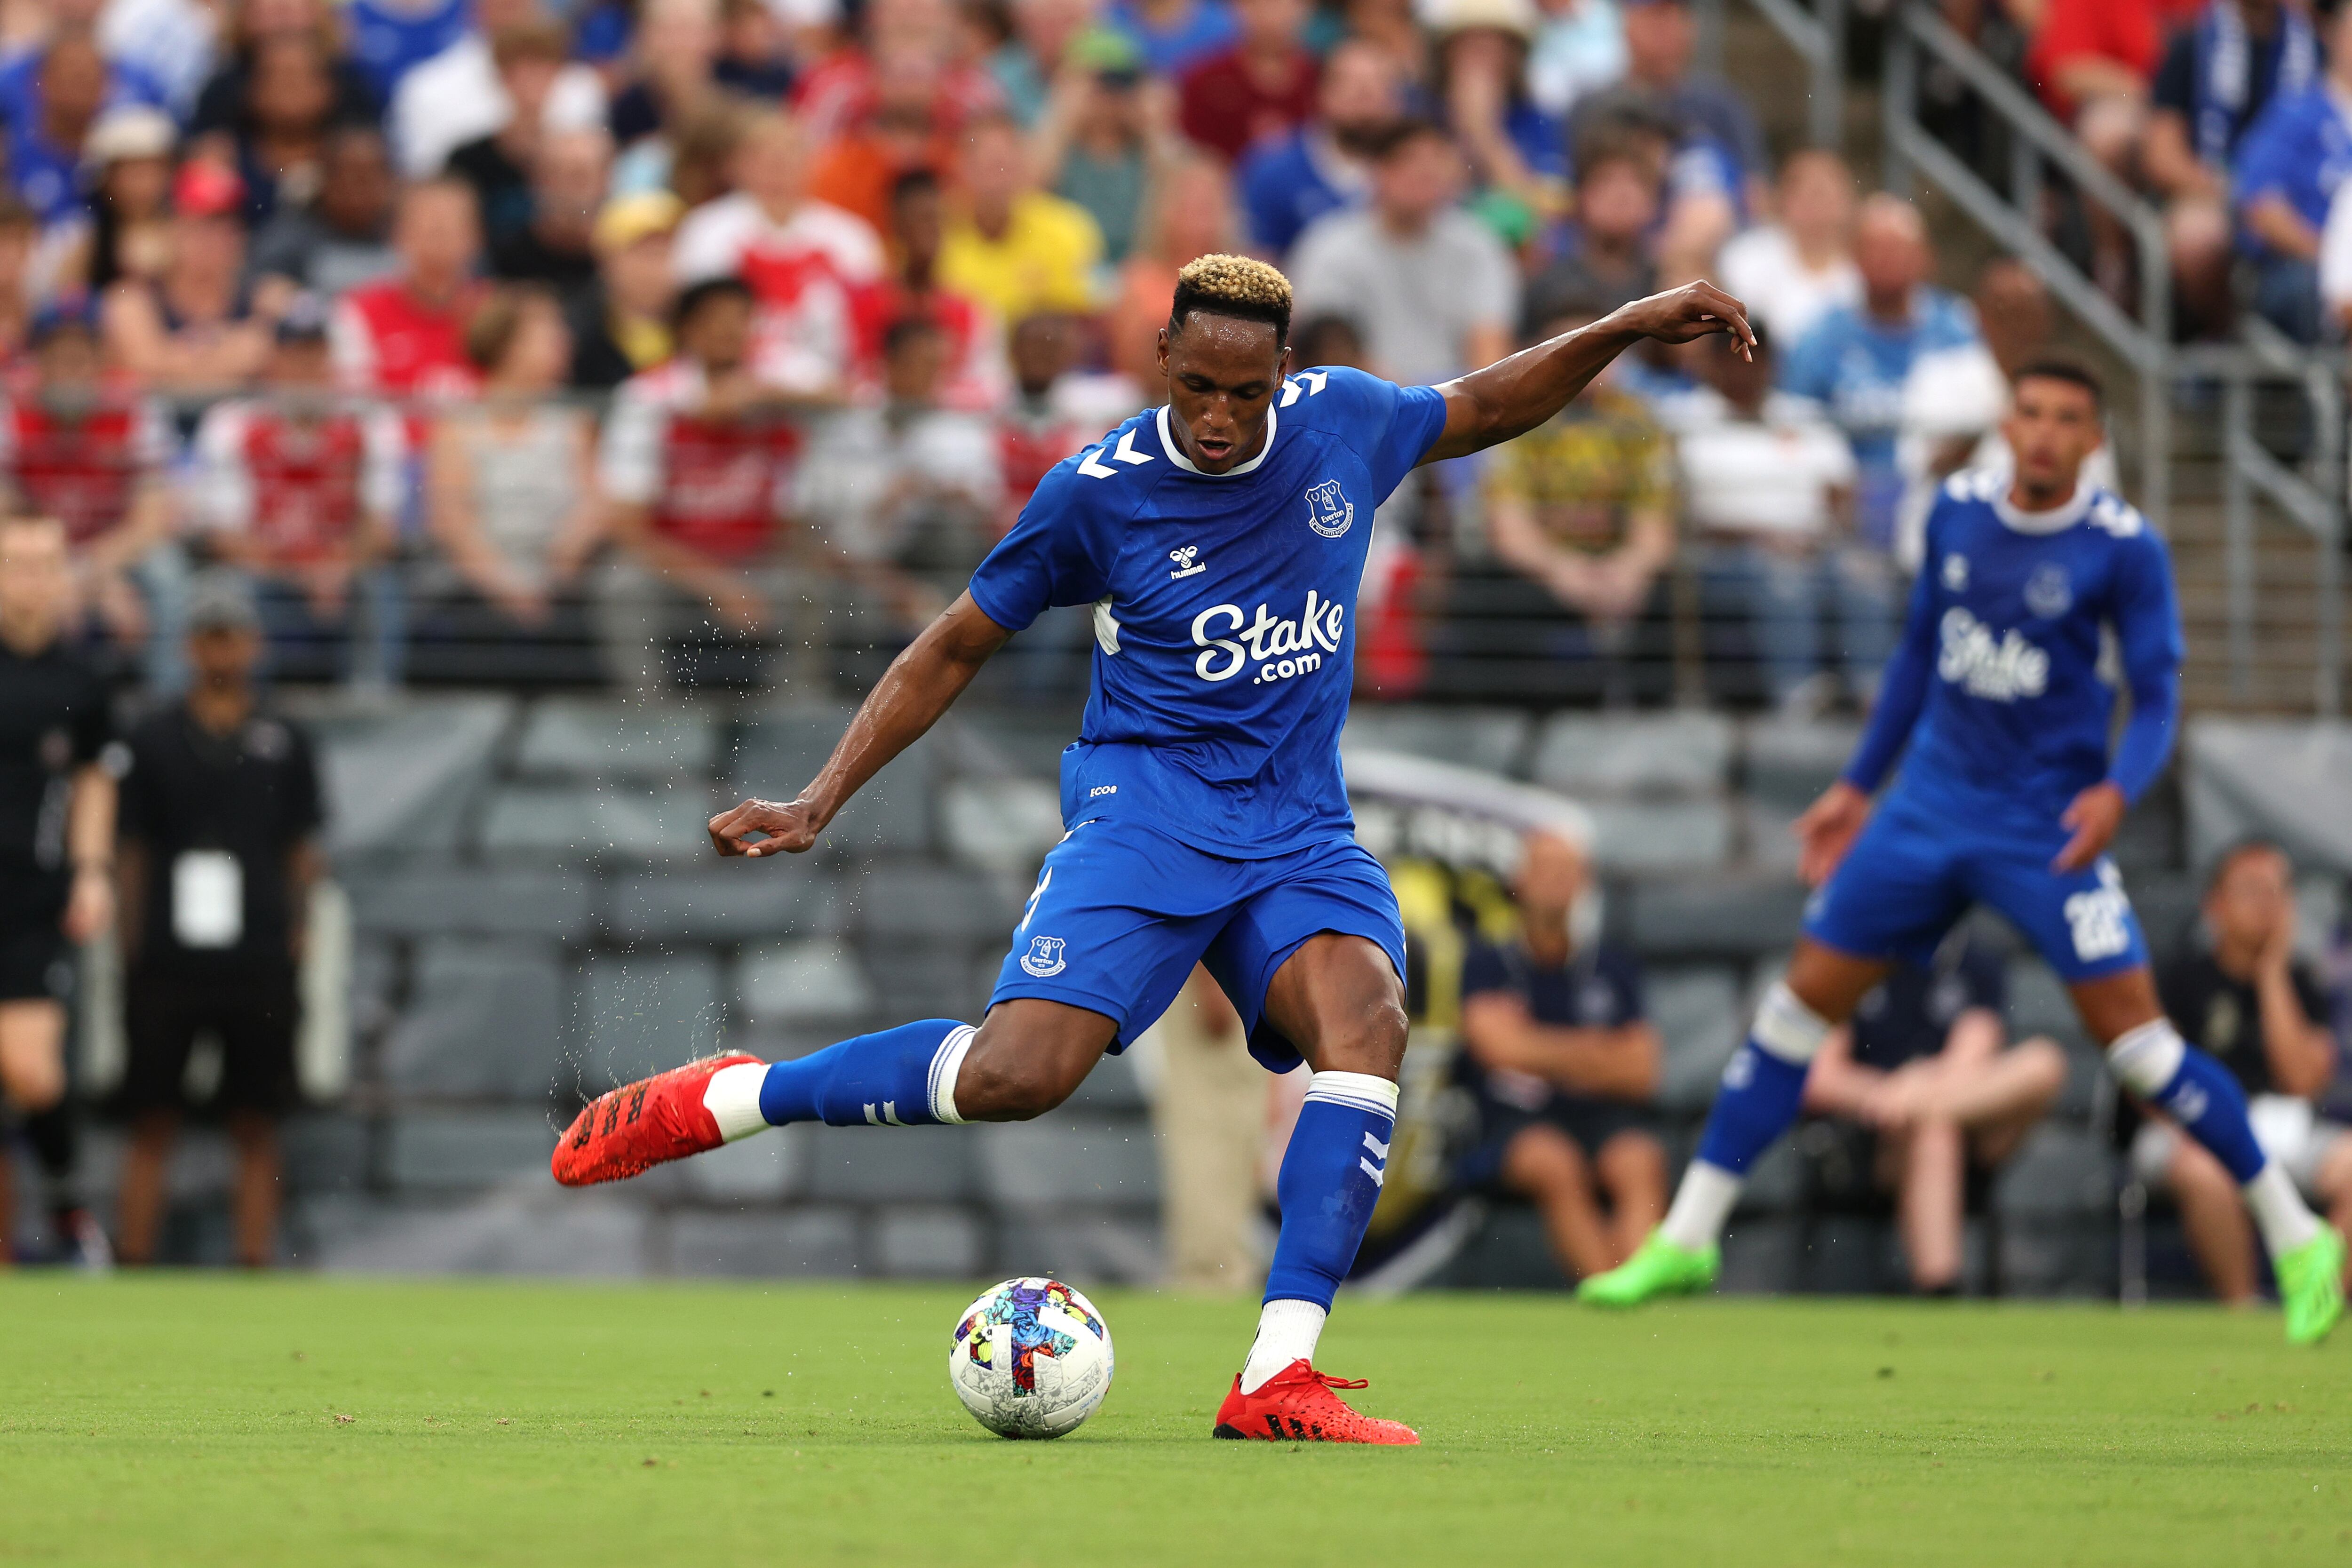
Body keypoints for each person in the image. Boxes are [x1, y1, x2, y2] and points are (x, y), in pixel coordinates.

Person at [548, 255, 1759, 1443]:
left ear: (1286, 372)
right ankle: (736, 1095)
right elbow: (953, 645)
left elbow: (1490, 402)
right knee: (1013, 1080)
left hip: (1294, 821)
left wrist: (1626, 322)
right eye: (1199, 388)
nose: (1222, 417)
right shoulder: (1097, 491)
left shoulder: (1345, 421)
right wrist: (820, 797)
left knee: (1369, 1020)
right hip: (1148, 807)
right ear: (1162, 360)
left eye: (1248, 392)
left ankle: (1278, 1374)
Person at [1579, 360, 2349, 1346]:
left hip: (2043, 828)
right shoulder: (1955, 512)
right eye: (2028, 412)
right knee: (1789, 1016)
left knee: (2143, 1050)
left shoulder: (2121, 548)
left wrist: (2118, 791)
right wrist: (1857, 787)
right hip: (1925, 812)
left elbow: (2155, 696)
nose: (2041, 433)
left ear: (2089, 441)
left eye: (2066, 419)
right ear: (2007, 421)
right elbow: (1914, 657)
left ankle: (2295, 1239)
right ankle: (1687, 1236)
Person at [114, 573, 325, 1268]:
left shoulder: (284, 737)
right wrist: (131, 944)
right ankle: (135, 1257)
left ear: (253, 644)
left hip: (258, 953)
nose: (221, 651)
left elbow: (302, 847)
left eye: (231, 636)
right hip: (170, 957)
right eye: (209, 637)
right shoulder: (152, 736)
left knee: (256, 1119)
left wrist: (300, 932)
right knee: (151, 1114)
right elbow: (133, 848)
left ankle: (254, 1260)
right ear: (189, 646)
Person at [2141, 841, 2352, 1301]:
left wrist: (2271, 971)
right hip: (2190, 1132)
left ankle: (2316, 1300)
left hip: (2282, 1129)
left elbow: (2302, 1081)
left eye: (2279, 891)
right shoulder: (2178, 979)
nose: (2268, 904)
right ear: (2214, 905)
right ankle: (2242, 1308)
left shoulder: (2303, 982)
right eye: (2252, 890)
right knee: (2203, 1169)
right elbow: (2147, 1082)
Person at [1801, 932, 2068, 1294]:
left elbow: (1970, 1060)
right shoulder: (1852, 957)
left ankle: (1939, 1289)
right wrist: (1889, 1092)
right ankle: (1940, 1289)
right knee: (1934, 1128)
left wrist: (1915, 1088)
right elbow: (1822, 1078)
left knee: (2044, 1062)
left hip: (1968, 1126)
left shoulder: (1976, 962)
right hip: (1874, 1137)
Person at [1456, 827, 1667, 1282]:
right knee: (1552, 1162)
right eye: (1544, 869)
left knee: (1637, 1158)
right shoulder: (1487, 963)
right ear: (1520, 881)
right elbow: (1495, 1049)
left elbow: (1642, 1071)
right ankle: (1606, 1291)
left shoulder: (1611, 966)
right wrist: (1594, 1052)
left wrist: (1535, 1047)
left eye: (1567, 871)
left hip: (1600, 1118)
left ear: (1583, 884)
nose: (1555, 881)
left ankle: (1637, 1293)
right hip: (1513, 1122)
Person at [0, 516, 117, 1269]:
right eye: (17, 562)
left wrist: (93, 870)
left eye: (46, 562)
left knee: (32, 1070)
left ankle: (72, 1213)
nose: (32, 577)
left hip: (35, 897)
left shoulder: (82, 678)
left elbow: (93, 781)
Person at [597, 276, 804, 691]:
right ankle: (650, 721)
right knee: (620, 587)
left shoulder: (776, 392)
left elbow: (848, 396)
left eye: (741, 319)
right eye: (715, 320)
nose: (730, 331)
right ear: (687, 330)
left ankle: (797, 722)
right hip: (673, 567)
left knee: (813, 588)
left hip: (758, 560)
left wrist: (759, 397)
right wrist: (721, 587)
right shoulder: (645, 399)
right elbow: (628, 527)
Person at [1466, 304, 1675, 705]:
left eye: (1596, 347)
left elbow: (1654, 529)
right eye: (1569, 349)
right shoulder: (1515, 422)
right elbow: (1511, 532)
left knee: (1678, 599)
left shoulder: (1639, 422)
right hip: (1545, 576)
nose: (1584, 362)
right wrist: (1563, 571)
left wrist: (1628, 570)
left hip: (1620, 576)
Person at [190, 302, 404, 684]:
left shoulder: (370, 423)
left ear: (332, 363)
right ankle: (250, 706)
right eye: (295, 358)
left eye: (316, 357)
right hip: (266, 569)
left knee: (380, 586)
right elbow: (226, 535)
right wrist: (301, 571)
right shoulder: (234, 423)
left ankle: (372, 702)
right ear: (275, 363)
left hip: (341, 570)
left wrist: (339, 564)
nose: (306, 371)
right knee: (229, 590)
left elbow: (382, 527)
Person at [1679, 325, 1874, 711]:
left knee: (1863, 573)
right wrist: (1765, 538)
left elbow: (1842, 491)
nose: (1750, 365)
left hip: (1813, 544)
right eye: (1738, 353)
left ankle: (1875, 695)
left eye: (1759, 355)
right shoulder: (1687, 422)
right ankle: (1800, 699)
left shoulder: (1805, 415)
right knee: (1783, 579)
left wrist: (1826, 537)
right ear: (1715, 363)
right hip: (1728, 556)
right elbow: (1692, 517)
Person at [419, 286, 604, 682]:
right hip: (481, 586)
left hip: (560, 583)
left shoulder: (574, 421)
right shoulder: (458, 426)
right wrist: (509, 588)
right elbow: (453, 522)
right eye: (550, 333)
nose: (565, 341)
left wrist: (561, 565)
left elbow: (593, 505)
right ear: (509, 345)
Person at [1780, 194, 1979, 556]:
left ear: (1925, 257)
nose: (1886, 260)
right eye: (1875, 249)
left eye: (1899, 249)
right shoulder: (1821, 335)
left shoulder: (1958, 330)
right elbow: (1792, 426)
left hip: (1939, 501)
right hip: (1847, 517)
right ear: (1854, 258)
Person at [0, 300, 177, 670]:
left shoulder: (135, 407)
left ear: (102, 360)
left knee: (168, 575)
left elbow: (153, 518)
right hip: (34, 551)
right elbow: (6, 512)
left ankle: (165, 703)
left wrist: (93, 573)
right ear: (39, 363)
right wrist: (56, 574)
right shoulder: (10, 409)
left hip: (113, 553)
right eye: (59, 358)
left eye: (81, 358)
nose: (71, 372)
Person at [671, 110, 885, 397]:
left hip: (834, 393)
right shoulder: (706, 231)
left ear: (811, 162)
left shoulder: (852, 238)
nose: (777, 166)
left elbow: (868, 329)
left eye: (789, 153)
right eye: (762, 155)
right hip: (735, 393)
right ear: (736, 165)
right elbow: (701, 324)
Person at [1288, 119, 1518, 387]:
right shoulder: (1327, 246)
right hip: (1363, 400)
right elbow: (1326, 350)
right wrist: (1404, 405)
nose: (1425, 172)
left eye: (1437, 159)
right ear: (1376, 172)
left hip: (1459, 403)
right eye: (1408, 161)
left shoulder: (1479, 244)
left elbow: (1489, 344)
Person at [2145, 0, 2316, 338]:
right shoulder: (2192, 43)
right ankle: (2221, 338)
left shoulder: (2315, 50)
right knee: (2198, 235)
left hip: (2298, 204)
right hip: (2216, 192)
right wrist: (2238, 192)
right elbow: (2162, 156)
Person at [101, 160, 279, 398]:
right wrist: (235, 352)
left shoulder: (268, 296)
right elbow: (141, 364)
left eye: (223, 227)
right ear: (171, 228)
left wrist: (174, 359)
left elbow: (278, 358)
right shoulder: (132, 299)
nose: (210, 240)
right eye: (197, 226)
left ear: (241, 237)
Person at [2231, 4, 2352, 342]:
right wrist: (2335, 261)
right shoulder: (2296, 111)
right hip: (2303, 269)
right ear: (2334, 36)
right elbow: (2260, 206)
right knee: (2313, 290)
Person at [330, 178, 488, 409]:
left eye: (451, 224)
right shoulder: (358, 312)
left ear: (476, 237)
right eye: (428, 224)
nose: (439, 232)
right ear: (398, 234)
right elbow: (355, 408)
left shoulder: (499, 313)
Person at [1234, 38, 1399, 258]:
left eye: (1379, 86)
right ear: (1323, 93)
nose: (1366, 101)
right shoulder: (1273, 170)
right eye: (1353, 87)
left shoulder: (1415, 169)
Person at [936, 112, 1104, 325]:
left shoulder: (1068, 228)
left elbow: (1079, 315)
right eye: (988, 166)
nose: (998, 179)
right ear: (962, 169)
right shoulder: (936, 233)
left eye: (1005, 165)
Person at [1717, 148, 1860, 350]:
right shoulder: (1746, 257)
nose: (1818, 208)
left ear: (1848, 203)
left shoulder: (1865, 271)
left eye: (1827, 196)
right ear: (1783, 200)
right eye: (1809, 195)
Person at [248, 125, 403, 300]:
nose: (359, 194)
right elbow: (256, 292)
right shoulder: (288, 241)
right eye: (350, 180)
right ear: (325, 181)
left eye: (370, 181)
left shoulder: (406, 240)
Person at [1177, 0, 1317, 166]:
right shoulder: (1202, 80)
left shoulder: (1320, 80)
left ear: (1306, 11)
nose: (1271, 18)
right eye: (1260, 6)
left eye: (1282, 6)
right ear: (1238, 9)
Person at [568, 190, 681, 390]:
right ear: (606, 261)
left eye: (664, 253)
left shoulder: (703, 333)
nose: (654, 269)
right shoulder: (573, 337)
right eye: (642, 254)